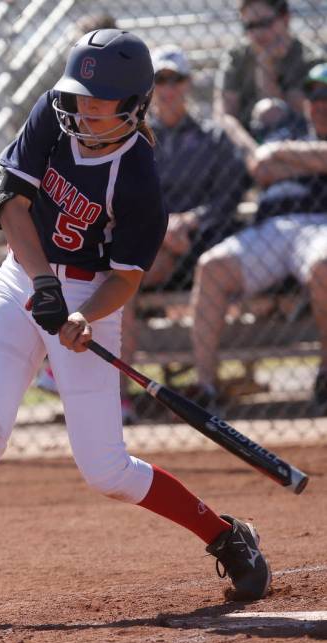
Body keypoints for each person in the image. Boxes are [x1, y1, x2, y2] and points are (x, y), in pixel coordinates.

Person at [0, 29, 271, 633]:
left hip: (91, 295)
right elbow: (11, 204)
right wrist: (40, 283)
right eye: (76, 93)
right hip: (19, 278)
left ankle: (224, 534)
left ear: (134, 106)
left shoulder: (138, 178)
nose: (81, 106)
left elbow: (126, 279)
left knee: (105, 471)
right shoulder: (53, 118)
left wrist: (82, 317)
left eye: (97, 99)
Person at [119, 45, 249, 422]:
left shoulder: (213, 136)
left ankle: (205, 391)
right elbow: (126, 197)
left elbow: (227, 198)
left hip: (203, 241)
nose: (168, 88)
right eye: (160, 80)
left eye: (175, 79)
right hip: (154, 247)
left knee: (199, 260)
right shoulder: (135, 139)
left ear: (189, 84)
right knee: (124, 274)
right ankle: (119, 397)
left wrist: (188, 222)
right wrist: (163, 227)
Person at [191, 62, 327, 412]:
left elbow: (272, 160)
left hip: (319, 225)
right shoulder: (288, 130)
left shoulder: (287, 141)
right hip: (271, 229)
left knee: (324, 265)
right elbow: (261, 166)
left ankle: (326, 373)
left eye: (326, 95)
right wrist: (309, 159)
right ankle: (205, 387)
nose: (319, 102)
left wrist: (284, 156)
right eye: (313, 95)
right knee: (212, 266)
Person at [214, 0, 324, 132]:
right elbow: (224, 116)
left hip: (298, 140)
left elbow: (299, 116)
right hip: (244, 142)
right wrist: (251, 150)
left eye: (265, 23)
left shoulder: (311, 59)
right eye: (250, 25)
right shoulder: (237, 56)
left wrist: (266, 63)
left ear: (286, 19)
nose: (258, 32)